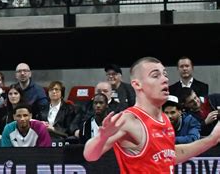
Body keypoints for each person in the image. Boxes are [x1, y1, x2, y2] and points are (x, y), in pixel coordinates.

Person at [83, 56, 220, 172]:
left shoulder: (164, 119)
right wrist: (101, 138)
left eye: (165, 74)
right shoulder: (129, 119)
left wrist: (211, 140)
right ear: (137, 85)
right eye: (156, 75)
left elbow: (169, 155)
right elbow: (90, 155)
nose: (165, 79)